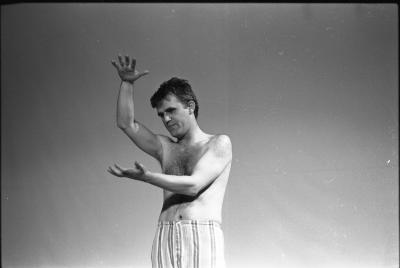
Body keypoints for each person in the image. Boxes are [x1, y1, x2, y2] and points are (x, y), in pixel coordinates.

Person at [108, 55, 232, 268]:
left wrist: (148, 177)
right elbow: (126, 124)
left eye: (171, 110)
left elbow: (193, 185)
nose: (166, 119)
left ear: (190, 106)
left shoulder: (218, 143)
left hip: (199, 235)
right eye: (161, 115)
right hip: (165, 233)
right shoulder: (165, 147)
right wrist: (127, 83)